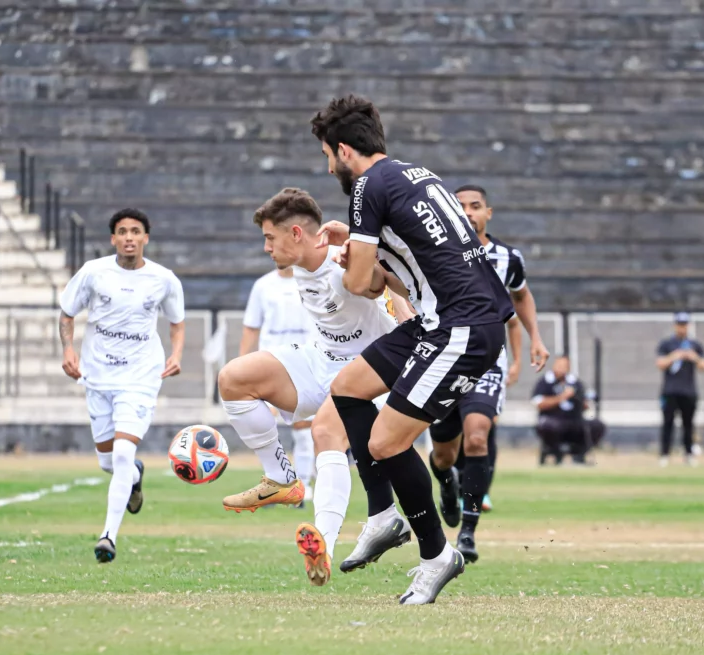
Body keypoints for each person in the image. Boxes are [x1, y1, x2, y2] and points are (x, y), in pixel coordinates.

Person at [310, 95, 538, 605]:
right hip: (444, 319)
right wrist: (359, 243)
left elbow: (364, 283)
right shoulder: (415, 174)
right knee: (347, 389)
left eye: (327, 155)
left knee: (386, 443)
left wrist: (349, 264)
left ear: (344, 150)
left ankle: (437, 556)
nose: (328, 167)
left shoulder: (366, 185)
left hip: (459, 327)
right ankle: (383, 516)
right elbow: (416, 255)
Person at [216, 188, 404, 587]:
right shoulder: (301, 262)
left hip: (368, 368)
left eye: (270, 237)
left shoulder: (345, 266)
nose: (266, 247)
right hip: (321, 357)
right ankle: (281, 479)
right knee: (233, 379)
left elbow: (376, 281)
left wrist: (358, 250)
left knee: (324, 433)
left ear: (296, 233)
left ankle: (326, 549)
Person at [425, 185, 549, 563]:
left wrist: (535, 340)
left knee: (477, 437)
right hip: (444, 360)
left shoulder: (508, 258)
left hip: (487, 362)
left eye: (474, 206)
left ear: (488, 213)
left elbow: (521, 296)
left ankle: (468, 531)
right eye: (459, 206)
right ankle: (447, 484)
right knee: (445, 455)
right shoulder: (433, 251)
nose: (467, 212)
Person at [59, 208, 185, 565]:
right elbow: (67, 313)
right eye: (122, 232)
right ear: (113, 238)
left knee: (122, 453)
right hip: (97, 376)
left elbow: (177, 322)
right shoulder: (93, 272)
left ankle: (108, 536)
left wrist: (175, 354)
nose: (129, 237)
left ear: (146, 237)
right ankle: (134, 477)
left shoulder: (163, 279)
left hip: (140, 378)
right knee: (108, 463)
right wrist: (68, 349)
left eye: (135, 231)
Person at [240, 268, 317, 506]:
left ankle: (302, 486)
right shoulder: (263, 285)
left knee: (304, 429)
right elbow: (251, 327)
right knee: (264, 424)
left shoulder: (312, 280)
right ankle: (276, 482)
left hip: (305, 362)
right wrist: (241, 364)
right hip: (270, 363)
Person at [656, 312, 704, 466]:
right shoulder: (667, 344)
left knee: (688, 424)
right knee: (668, 423)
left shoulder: (695, 345)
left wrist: (694, 357)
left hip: (688, 390)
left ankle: (689, 454)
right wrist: (674, 356)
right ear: (675, 326)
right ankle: (664, 455)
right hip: (670, 390)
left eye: (684, 325)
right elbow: (660, 364)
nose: (682, 328)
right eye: (679, 325)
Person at [532, 356, 605, 465]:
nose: (561, 369)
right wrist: (562, 397)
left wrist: (583, 402)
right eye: (559, 366)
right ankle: (556, 454)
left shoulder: (575, 383)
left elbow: (585, 402)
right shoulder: (545, 382)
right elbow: (538, 403)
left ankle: (580, 454)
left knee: (596, 425)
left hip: (574, 420)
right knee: (548, 427)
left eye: (564, 367)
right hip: (553, 419)